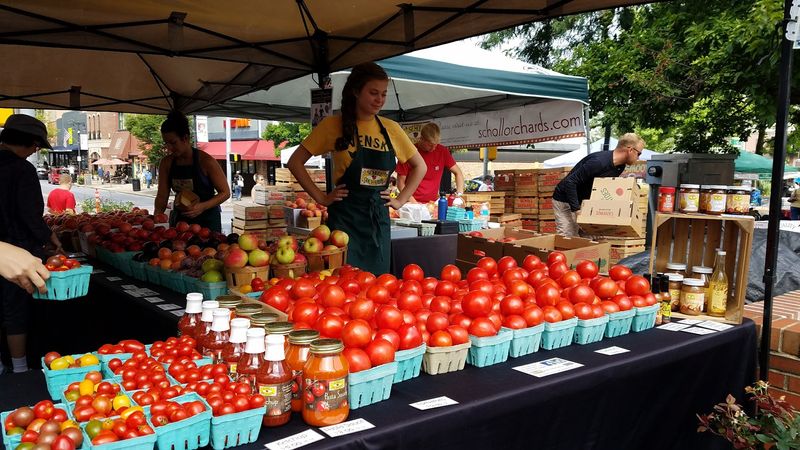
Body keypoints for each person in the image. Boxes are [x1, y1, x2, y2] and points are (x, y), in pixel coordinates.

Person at [287, 62, 426, 275]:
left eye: (383, 94)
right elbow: (295, 162)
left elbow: (420, 166)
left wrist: (400, 200)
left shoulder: (391, 129)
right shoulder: (332, 126)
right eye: (373, 93)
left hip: (377, 221)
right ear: (355, 92)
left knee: (378, 285)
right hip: (345, 219)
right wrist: (321, 198)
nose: (379, 99)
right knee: (345, 282)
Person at [0, 114, 63, 373]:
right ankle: (20, 367)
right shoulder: (21, 169)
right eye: (37, 146)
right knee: (15, 310)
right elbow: (30, 215)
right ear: (31, 142)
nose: (35, 151)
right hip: (16, 251)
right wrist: (51, 239)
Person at [552, 133, 645, 237]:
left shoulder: (620, 167)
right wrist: (577, 210)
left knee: (593, 237)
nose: (638, 157)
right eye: (639, 153)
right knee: (568, 237)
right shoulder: (599, 162)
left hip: (584, 201)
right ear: (630, 150)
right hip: (565, 199)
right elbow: (570, 182)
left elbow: (602, 188)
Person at [155, 111, 230, 233]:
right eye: (166, 143)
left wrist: (202, 207)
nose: (169, 148)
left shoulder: (206, 161)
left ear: (185, 138)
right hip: (180, 222)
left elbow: (225, 192)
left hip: (208, 222)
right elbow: (162, 196)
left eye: (173, 143)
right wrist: (157, 217)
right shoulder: (166, 163)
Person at [396, 122, 464, 203]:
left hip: (432, 203)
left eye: (436, 145)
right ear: (421, 139)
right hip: (410, 202)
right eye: (430, 145)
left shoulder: (442, 151)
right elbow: (400, 183)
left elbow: (458, 173)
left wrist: (459, 194)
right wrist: (415, 203)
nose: (434, 148)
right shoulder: (409, 152)